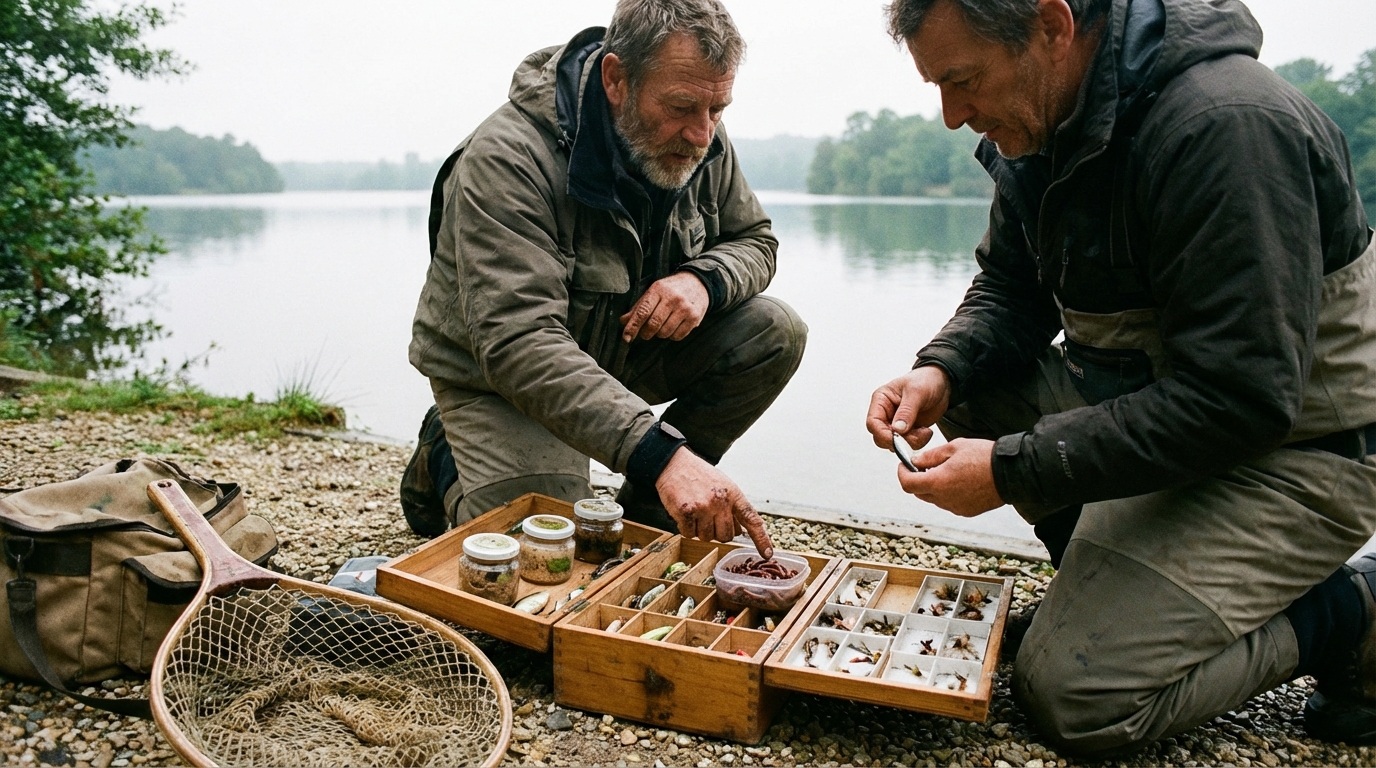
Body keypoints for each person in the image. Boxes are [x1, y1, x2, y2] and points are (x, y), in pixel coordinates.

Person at [866, 0, 1376, 754]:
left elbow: (1240, 397)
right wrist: (941, 368)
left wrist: (1012, 469)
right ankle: (1107, 589)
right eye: (938, 85)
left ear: (1052, 24)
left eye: (963, 79)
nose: (950, 115)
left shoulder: (1226, 125)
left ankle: (1351, 612)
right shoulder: (1043, 116)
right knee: (977, 383)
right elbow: (1012, 287)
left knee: (1077, 700)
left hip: (1293, 455)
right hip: (1163, 413)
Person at [402, 0, 806, 559]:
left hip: (615, 347)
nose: (702, 133)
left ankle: (649, 506)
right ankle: (443, 460)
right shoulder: (506, 159)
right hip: (501, 379)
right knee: (544, 550)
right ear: (616, 78)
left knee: (774, 331)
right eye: (684, 106)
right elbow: (521, 343)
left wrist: (703, 281)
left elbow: (756, 241)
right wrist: (661, 452)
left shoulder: (701, 130)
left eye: (718, 107)